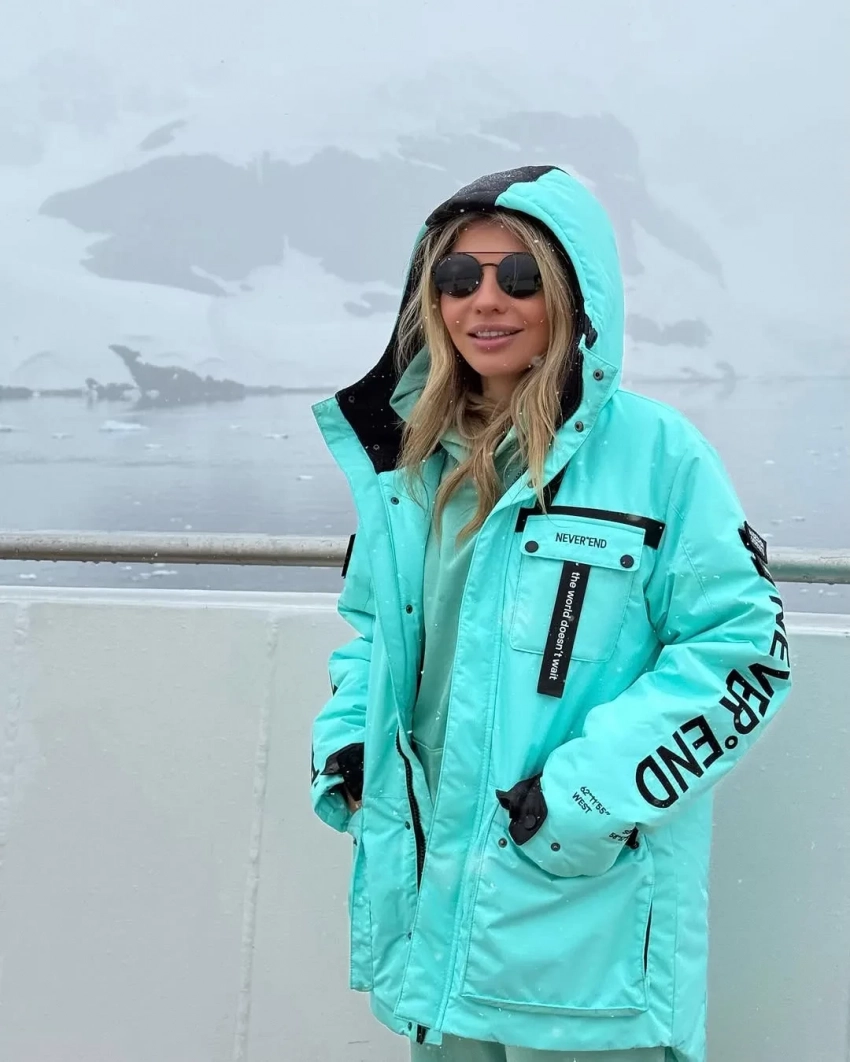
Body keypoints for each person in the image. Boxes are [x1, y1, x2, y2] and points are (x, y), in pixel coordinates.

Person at [310, 166, 792, 1062]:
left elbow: (742, 652)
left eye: (520, 277)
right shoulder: (413, 464)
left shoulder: (658, 456)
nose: (485, 301)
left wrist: (585, 798)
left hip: (584, 925)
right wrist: (350, 743)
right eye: (459, 277)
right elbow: (373, 630)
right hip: (438, 923)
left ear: (573, 296)